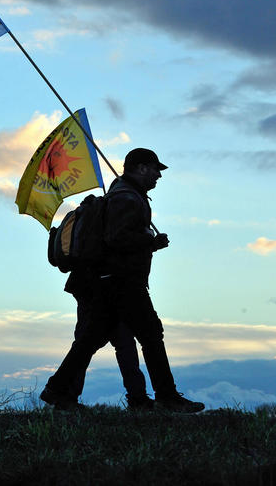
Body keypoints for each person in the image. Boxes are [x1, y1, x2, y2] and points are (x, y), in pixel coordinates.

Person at [41, 148, 204, 413]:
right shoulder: (127, 198)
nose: (158, 176)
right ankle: (167, 396)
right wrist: (151, 242)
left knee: (91, 338)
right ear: (141, 168)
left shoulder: (123, 194)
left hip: (109, 281)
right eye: (155, 169)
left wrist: (148, 243)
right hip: (122, 281)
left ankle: (56, 389)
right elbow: (116, 238)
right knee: (151, 334)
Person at [65, 268, 153, 410]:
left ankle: (138, 397)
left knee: (94, 344)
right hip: (99, 288)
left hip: (99, 287)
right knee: (90, 344)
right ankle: (138, 398)